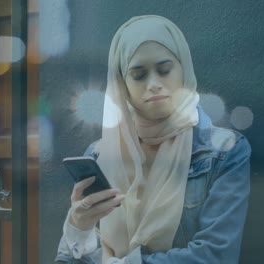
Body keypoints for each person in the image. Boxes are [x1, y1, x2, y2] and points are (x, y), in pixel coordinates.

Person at [55, 15, 251, 264]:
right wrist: (78, 227)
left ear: (184, 71)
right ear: (122, 84)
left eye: (165, 70)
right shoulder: (100, 154)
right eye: (138, 75)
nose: (154, 84)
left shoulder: (224, 151)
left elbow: (215, 256)